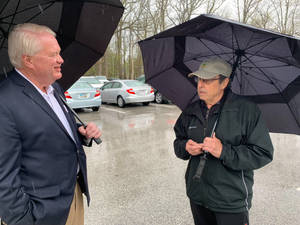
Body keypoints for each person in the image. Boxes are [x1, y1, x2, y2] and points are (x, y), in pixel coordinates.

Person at [0, 23, 101, 225]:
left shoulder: (54, 87)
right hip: (42, 213)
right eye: (53, 54)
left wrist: (80, 133)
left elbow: (53, 128)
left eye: (60, 53)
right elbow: (3, 179)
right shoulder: (5, 101)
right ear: (28, 60)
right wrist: (26, 219)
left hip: (72, 197)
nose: (61, 59)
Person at [173, 58, 274, 225]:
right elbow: (178, 142)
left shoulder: (246, 111)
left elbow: (263, 153)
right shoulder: (191, 110)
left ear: (224, 82)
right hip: (197, 196)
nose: (200, 85)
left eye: (207, 80)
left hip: (230, 202)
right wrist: (185, 147)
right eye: (199, 79)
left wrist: (223, 151)